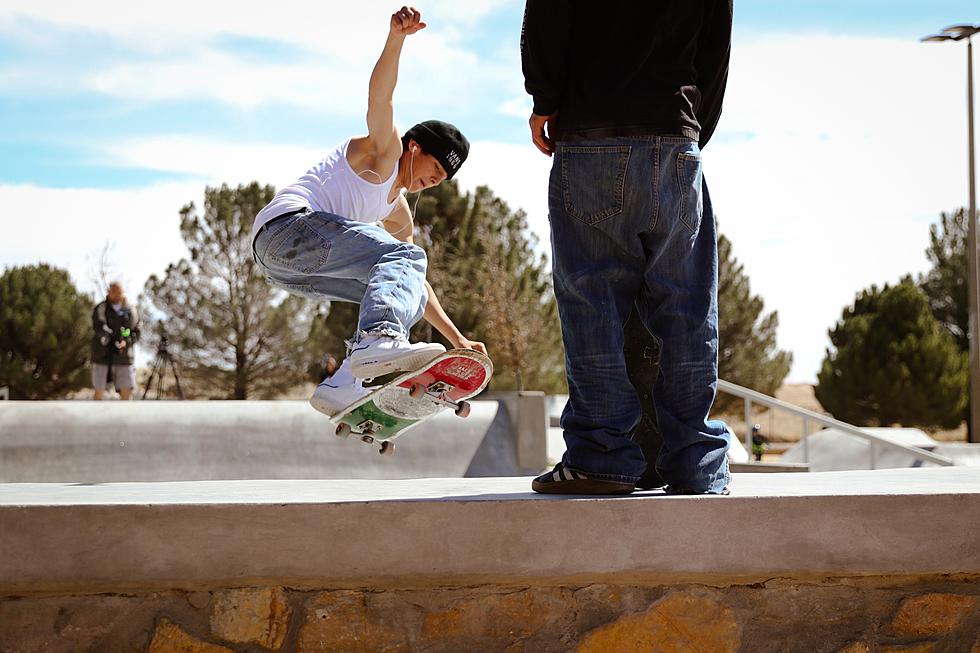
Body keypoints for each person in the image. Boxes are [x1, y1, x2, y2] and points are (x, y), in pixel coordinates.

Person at [522, 0, 734, 495]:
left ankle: (601, 457)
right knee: (688, 308)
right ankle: (696, 466)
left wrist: (544, 99)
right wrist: (689, 130)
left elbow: (549, 18)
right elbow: (715, 50)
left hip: (591, 131)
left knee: (591, 302)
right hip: (676, 134)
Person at [251, 6, 486, 418]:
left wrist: (456, 341)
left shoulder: (397, 214)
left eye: (441, 180)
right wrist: (397, 38)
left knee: (404, 290)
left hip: (286, 269)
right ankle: (376, 342)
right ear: (415, 147)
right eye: (434, 169)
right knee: (405, 261)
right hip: (287, 229)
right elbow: (381, 95)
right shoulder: (384, 150)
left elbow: (414, 283)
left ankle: (344, 383)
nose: (433, 182)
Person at [91, 281, 141, 400]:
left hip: (124, 355)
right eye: (114, 292)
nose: (117, 295)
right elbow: (100, 326)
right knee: (99, 389)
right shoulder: (101, 308)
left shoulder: (130, 310)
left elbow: (132, 329)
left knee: (127, 388)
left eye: (119, 292)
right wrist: (109, 337)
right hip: (102, 355)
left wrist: (125, 341)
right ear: (109, 292)